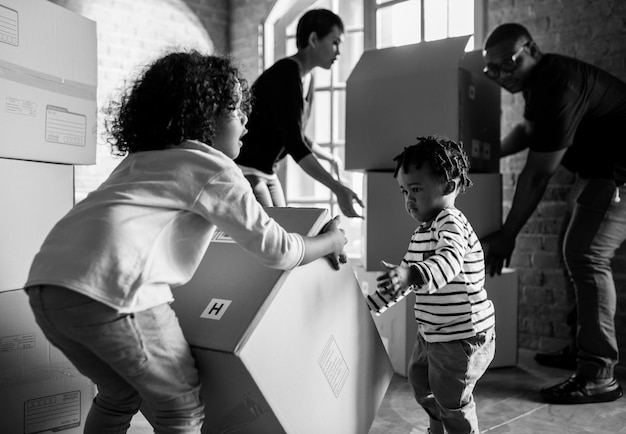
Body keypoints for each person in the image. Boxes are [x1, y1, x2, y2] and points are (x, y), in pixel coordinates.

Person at [23, 51, 348, 434]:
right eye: (233, 109)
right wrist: (331, 240)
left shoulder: (141, 160)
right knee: (181, 408)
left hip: (48, 288)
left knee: (118, 395)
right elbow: (279, 250)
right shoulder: (215, 166)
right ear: (202, 116)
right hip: (113, 290)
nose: (246, 119)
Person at [483, 22, 625, 404]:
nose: (500, 76)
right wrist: (483, 155)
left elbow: (537, 175)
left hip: (619, 173)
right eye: (491, 69)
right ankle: (582, 346)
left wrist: (507, 233)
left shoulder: (559, 83)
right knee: (573, 251)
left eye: (507, 64)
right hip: (596, 171)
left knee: (586, 253)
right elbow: (530, 131)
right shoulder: (538, 83)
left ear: (531, 49)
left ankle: (599, 373)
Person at [366, 136, 496, 434]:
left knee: (452, 398)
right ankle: (438, 427)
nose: (408, 199)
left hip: (463, 336)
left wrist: (410, 274)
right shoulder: (422, 232)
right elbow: (405, 282)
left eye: (416, 189)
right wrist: (371, 305)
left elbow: (447, 262)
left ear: (448, 187)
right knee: (420, 381)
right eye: (404, 191)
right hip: (434, 332)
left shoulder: (451, 222)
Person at [235, 8, 364, 218]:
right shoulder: (285, 74)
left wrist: (332, 158)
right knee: (274, 236)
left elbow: (295, 131)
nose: (338, 52)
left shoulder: (307, 78)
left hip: (268, 172)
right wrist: (338, 188)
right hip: (248, 171)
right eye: (335, 42)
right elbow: (295, 143)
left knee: (284, 229)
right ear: (313, 39)